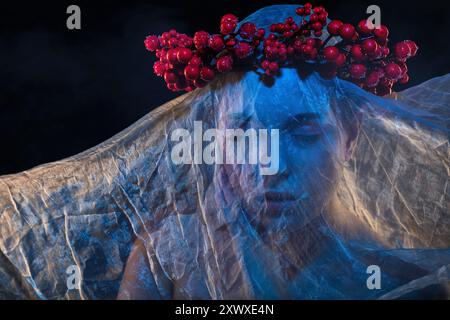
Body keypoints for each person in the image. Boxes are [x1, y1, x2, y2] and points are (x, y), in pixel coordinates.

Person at [0, 4, 449, 299]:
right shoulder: (168, 257)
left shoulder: (405, 278)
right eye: (242, 136)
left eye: (303, 135)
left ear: (350, 135)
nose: (269, 167)